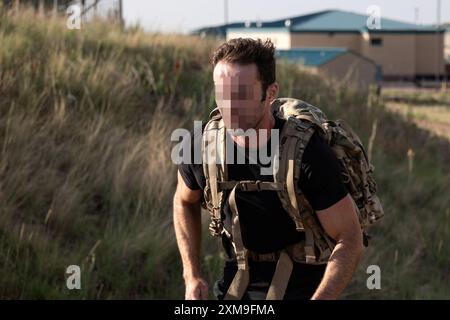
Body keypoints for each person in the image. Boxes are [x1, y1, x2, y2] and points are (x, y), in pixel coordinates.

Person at [173, 38, 363, 300]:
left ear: (270, 93)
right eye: (222, 93)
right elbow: (183, 201)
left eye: (241, 94)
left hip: (305, 289)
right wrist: (191, 275)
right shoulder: (202, 147)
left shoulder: (307, 154)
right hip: (235, 286)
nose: (229, 106)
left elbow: (349, 238)